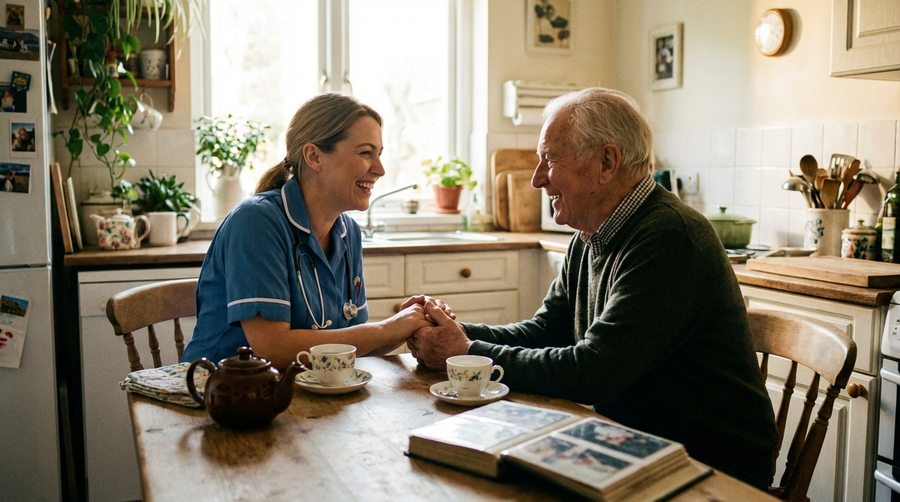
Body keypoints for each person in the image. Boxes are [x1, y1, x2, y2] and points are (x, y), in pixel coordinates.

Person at [407, 87, 779, 490]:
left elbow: (593, 371)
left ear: (607, 162)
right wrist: (457, 335)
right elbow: (545, 331)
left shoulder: (670, 237)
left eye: (549, 159)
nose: (536, 180)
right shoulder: (589, 236)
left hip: (710, 464)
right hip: (634, 442)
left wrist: (467, 353)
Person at [181, 93, 449, 370]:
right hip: (216, 393)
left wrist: (413, 324)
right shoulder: (256, 221)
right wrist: (387, 329)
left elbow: (350, 344)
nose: (380, 169)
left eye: (379, 154)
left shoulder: (349, 232)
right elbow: (271, 349)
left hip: (301, 393)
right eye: (366, 153)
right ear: (314, 156)